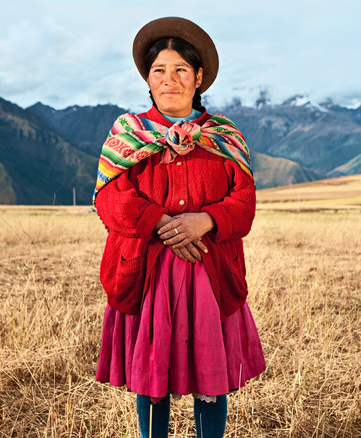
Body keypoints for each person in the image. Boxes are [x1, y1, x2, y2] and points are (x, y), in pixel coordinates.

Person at [93, 16, 266, 438]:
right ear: (147, 79)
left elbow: (243, 205)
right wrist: (162, 223)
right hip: (149, 275)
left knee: (211, 379)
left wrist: (205, 220)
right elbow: (108, 199)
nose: (170, 80)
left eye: (181, 70)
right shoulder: (128, 135)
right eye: (159, 71)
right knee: (154, 380)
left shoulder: (223, 136)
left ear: (199, 77)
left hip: (209, 276)